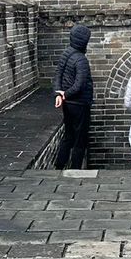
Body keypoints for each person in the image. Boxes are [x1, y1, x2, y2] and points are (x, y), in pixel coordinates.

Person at [53, 23, 94, 169]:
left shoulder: (66, 53)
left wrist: (59, 94)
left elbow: (58, 74)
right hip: (79, 104)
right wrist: (65, 94)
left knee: (68, 135)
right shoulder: (81, 60)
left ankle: (59, 165)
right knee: (80, 139)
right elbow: (80, 85)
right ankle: (76, 169)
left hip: (68, 104)